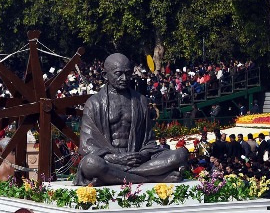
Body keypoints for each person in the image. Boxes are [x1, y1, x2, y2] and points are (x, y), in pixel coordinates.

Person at [75, 53, 188, 186]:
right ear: (106, 75)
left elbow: (149, 141)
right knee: (90, 163)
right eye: (118, 74)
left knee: (181, 154)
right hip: (109, 161)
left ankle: (121, 176)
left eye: (128, 74)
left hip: (139, 161)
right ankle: (151, 178)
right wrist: (116, 159)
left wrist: (143, 155)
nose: (124, 78)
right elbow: (87, 145)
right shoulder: (94, 103)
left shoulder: (141, 101)